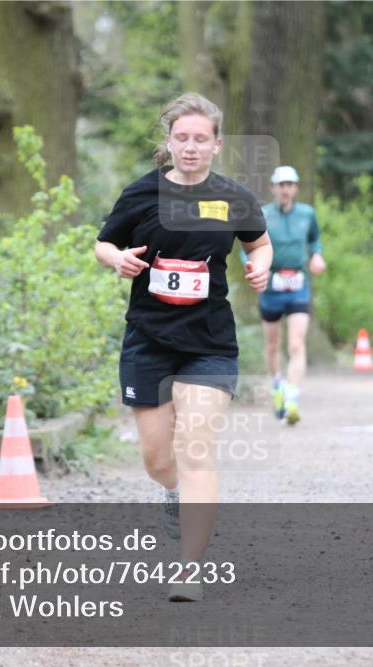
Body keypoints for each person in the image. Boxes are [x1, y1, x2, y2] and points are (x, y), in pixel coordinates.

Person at [94, 92, 272, 602]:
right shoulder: (141, 194)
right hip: (148, 338)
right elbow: (103, 242)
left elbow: (258, 241)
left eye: (200, 139)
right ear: (168, 142)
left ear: (216, 144)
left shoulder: (234, 196)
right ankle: (171, 490)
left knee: (195, 449)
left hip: (209, 341)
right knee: (157, 458)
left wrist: (259, 263)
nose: (190, 147)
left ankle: (189, 572)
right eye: (181, 138)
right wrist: (116, 260)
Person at [256, 165, 325, 425]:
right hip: (271, 286)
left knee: (296, 344)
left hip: (298, 284)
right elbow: (248, 247)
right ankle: (277, 385)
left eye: (290, 184)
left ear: (295, 188)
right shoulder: (262, 215)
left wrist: (317, 255)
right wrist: (256, 269)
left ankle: (292, 398)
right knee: (273, 344)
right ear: (273, 188)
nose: (285, 189)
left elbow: (315, 240)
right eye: (281, 184)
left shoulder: (307, 214)